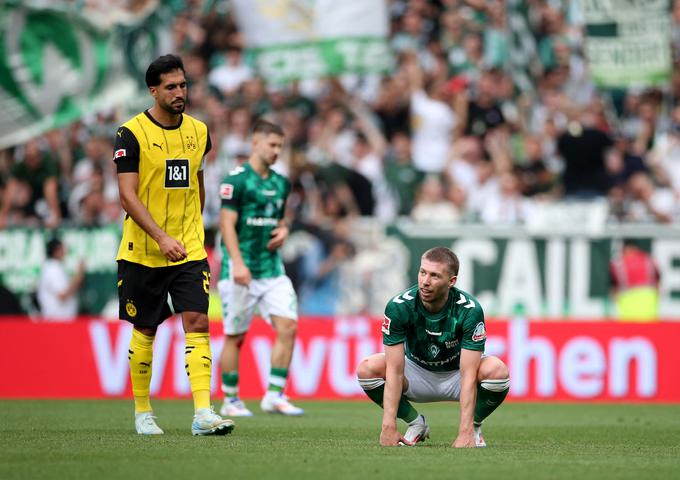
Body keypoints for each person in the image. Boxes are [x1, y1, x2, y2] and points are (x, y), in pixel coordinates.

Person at [113, 54, 234, 436]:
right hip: (143, 252)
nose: (180, 92)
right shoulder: (130, 134)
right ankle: (143, 412)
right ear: (153, 90)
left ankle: (203, 413)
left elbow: (196, 181)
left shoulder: (199, 131)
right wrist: (161, 237)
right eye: (171, 87)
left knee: (198, 321)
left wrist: (190, 231)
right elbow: (127, 196)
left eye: (183, 85)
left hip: (189, 250)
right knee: (145, 328)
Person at [357, 247, 510, 448]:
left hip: (457, 376)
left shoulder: (469, 310)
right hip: (416, 373)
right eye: (423, 272)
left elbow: (468, 373)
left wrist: (464, 433)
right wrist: (388, 426)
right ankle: (415, 423)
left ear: (451, 281)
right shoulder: (399, 306)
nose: (425, 281)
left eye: (435, 275)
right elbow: (394, 371)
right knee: (367, 368)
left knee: (498, 371)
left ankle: (474, 425)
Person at [217, 119, 303, 417]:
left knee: (288, 327)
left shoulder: (281, 183)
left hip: (272, 271)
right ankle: (230, 399)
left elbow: (279, 219)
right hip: (240, 271)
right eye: (272, 144)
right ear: (255, 143)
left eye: (281, 146)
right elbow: (226, 224)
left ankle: (274, 395)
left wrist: (285, 229)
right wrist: (238, 263)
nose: (277, 151)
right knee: (235, 336)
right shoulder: (236, 180)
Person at [609, 239, 660, 322]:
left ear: (624, 249)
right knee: (649, 332)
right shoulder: (648, 260)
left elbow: (613, 287)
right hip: (649, 302)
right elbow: (658, 280)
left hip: (627, 303)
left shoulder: (618, 264)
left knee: (630, 332)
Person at [37, 238, 85, 320]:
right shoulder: (52, 269)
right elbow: (63, 295)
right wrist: (78, 275)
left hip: (61, 320)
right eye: (62, 249)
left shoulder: (56, 267)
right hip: (56, 321)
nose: (65, 252)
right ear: (56, 251)